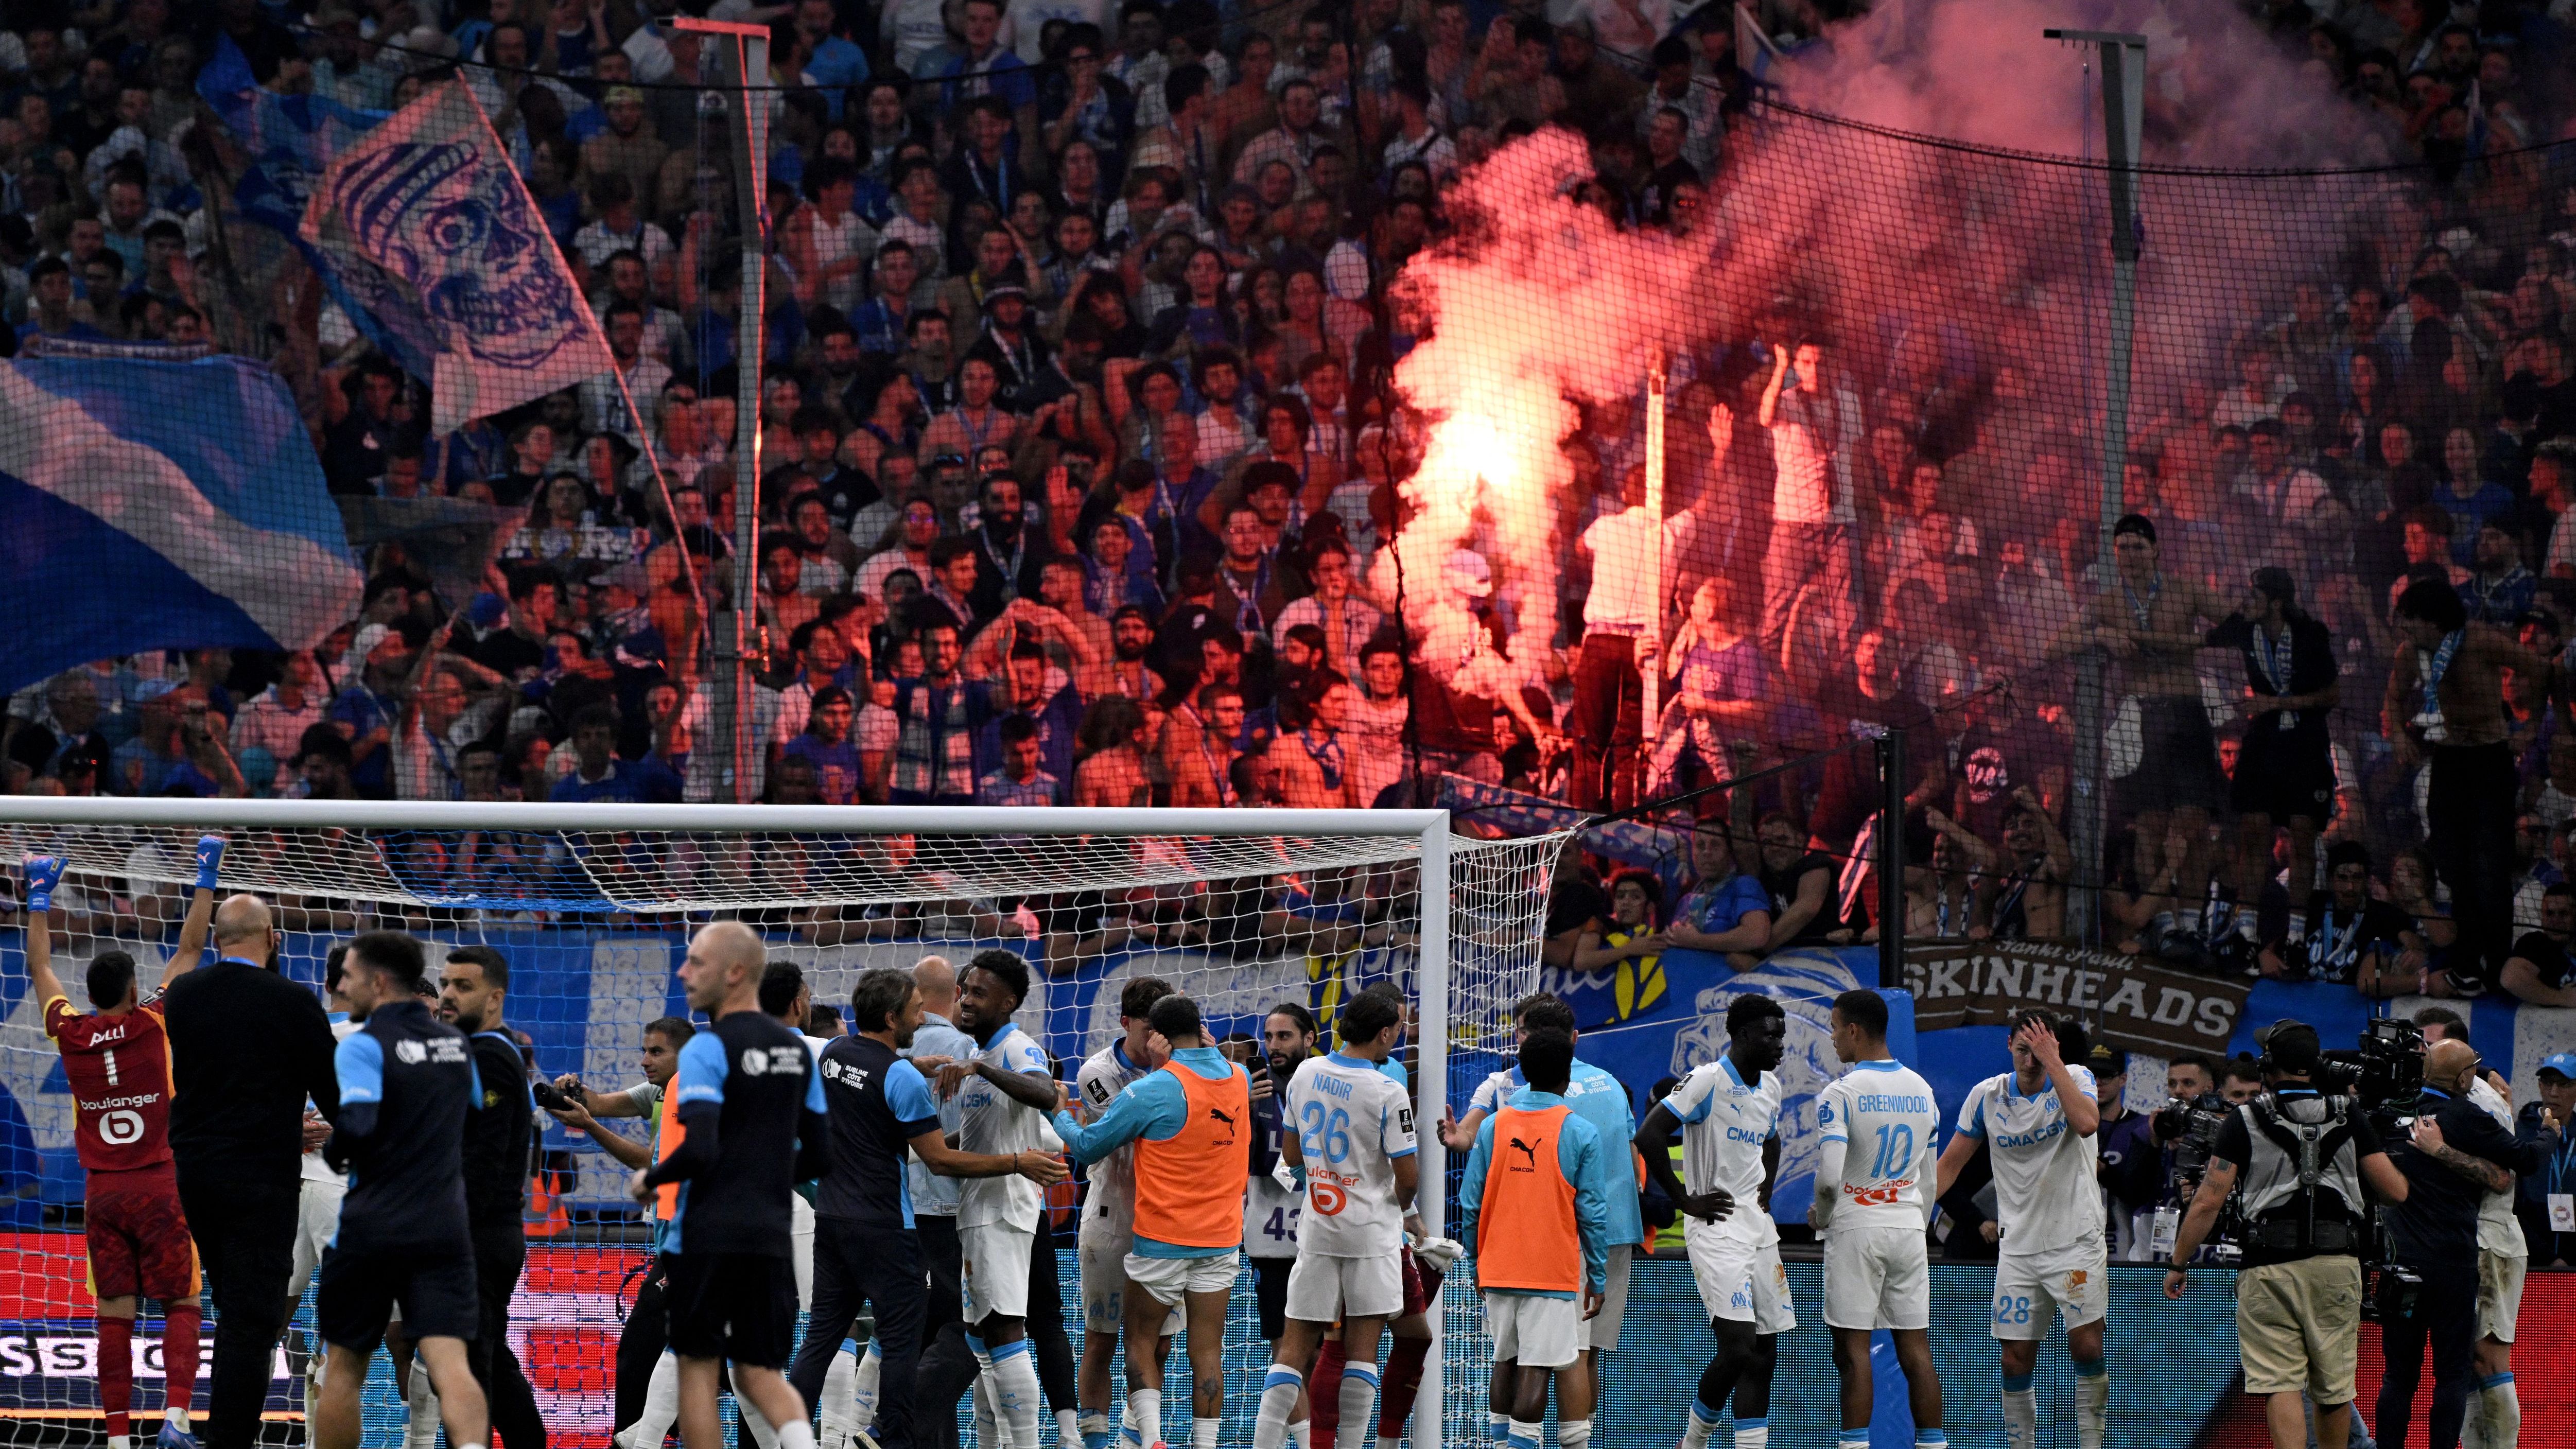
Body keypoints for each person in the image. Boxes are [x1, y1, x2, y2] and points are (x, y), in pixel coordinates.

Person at [790, 968, 1068, 1449]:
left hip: (832, 1218)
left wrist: (915, 1065)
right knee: (904, 1338)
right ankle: (893, 1436)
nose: (925, 1017)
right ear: (893, 1015)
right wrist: (1017, 1160)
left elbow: (873, 1079)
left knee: (822, 1339)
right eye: (918, 1009)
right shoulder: (904, 1077)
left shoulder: (836, 1054)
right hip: (886, 1225)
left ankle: (790, 1436)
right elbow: (939, 1159)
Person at [23, 842, 219, 1449]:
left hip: (102, 1194)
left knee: (114, 1314)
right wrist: (204, 874)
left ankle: (114, 1439)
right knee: (183, 1300)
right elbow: (189, 948)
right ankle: (177, 1419)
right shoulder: (152, 1021)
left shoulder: (70, 1031)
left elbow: (40, 969)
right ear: (135, 990)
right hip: (159, 1185)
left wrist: (37, 899)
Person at [2162, 1021, 2410, 1449]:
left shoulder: (2244, 1118)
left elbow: (2207, 1201)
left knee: (2280, 1382)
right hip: (2337, 1265)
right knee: (2333, 1385)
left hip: (2268, 1268)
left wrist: (2178, 1262)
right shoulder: (2347, 1113)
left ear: (2267, 1065)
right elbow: (2395, 1190)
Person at [628, 922, 829, 1449]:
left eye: (696, 961)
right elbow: (824, 1155)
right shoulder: (797, 1052)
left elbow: (699, 1148)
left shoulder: (704, 1050)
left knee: (697, 1370)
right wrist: (763, 1173)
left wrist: (651, 1177)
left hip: (708, 1234)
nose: (683, 970)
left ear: (736, 972)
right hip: (769, 1234)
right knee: (761, 1373)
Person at [163, 889, 341, 1449]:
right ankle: (229, 1442)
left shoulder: (184, 995)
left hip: (196, 1175)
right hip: (260, 1178)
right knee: (250, 1320)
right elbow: (334, 1095)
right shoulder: (291, 1000)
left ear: (219, 940)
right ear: (272, 937)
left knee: (234, 1308)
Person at [1048, 993, 1251, 1449]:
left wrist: (1055, 1110)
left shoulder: (1152, 1087)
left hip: (1159, 1236)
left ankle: (1150, 1439)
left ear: (1159, 1032)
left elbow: (1087, 1145)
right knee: (1192, 1350)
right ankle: (1196, 1442)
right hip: (1210, 1238)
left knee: (1143, 1343)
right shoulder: (1236, 1075)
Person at [311, 932, 489, 1449]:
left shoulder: (363, 1045)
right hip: (443, 1226)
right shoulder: (456, 1044)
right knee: (450, 1360)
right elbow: (475, 1118)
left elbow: (360, 1123)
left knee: (345, 1365)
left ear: (379, 981)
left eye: (350, 976)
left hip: (374, 1224)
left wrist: (335, 1150)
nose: (343, 986)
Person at [1436, 991, 1640, 1428]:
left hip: (1519, 1244)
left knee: (1509, 1356)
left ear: (1524, 1038)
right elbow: (1624, 1163)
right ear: (1575, 1038)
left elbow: (1471, 1188)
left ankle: (1507, 1438)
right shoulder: (1609, 1087)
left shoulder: (1506, 1094)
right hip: (1592, 1239)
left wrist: (1476, 1258)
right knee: (1578, 1355)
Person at [1252, 990, 1419, 1449]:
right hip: (1371, 1234)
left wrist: (1323, 1183)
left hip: (1319, 1228)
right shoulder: (1388, 1090)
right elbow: (1409, 1177)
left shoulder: (1306, 1072)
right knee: (1361, 1354)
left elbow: (1289, 1154)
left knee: (1292, 1349)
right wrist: (1394, 1206)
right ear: (1385, 1033)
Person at [1933, 1011, 2107, 1449]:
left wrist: (2055, 1062)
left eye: (2040, 1050)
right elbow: (1948, 1167)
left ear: (2054, 1049)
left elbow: (2087, 1124)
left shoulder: (2076, 1077)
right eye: (2023, 1049)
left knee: (2086, 1348)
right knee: (2014, 1360)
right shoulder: (1986, 1096)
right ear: (2009, 1045)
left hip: (2076, 1242)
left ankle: (2091, 1444)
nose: (2030, 1060)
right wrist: (1903, 1214)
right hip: (2019, 1249)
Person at [1633, 994, 1792, 1449]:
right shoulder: (1707, 1080)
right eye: (1771, 1034)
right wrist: (1684, 1199)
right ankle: (1694, 1441)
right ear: (1742, 1035)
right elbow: (1649, 1133)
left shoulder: (1772, 1088)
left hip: (1758, 1229)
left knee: (1765, 1352)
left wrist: (1765, 1192)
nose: (1780, 1043)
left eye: (1782, 1034)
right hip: (1716, 1228)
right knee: (1739, 1345)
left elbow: (1772, 1140)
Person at [2383, 578, 2554, 995]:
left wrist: (2530, 726)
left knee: (2489, 865)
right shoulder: (2412, 654)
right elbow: (2393, 698)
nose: (2405, 632)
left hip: (2490, 758)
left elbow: (2540, 669)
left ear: (2433, 621)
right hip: (2449, 759)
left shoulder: (2481, 642)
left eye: (2411, 623)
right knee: (2451, 862)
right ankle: (2467, 961)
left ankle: (2494, 962)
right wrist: (2400, 737)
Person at [929, 951, 1068, 1449]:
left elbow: (1044, 1090)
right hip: (978, 1212)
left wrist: (982, 1069)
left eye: (979, 993)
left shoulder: (1013, 1048)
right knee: (983, 1337)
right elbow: (971, 1139)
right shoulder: (981, 1056)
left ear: (1009, 1002)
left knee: (1005, 1330)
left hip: (1001, 1212)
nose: (966, 1000)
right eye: (964, 990)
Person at [2376, 1037, 2536, 1449]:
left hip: (2399, 1266)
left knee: (2398, 1376)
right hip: (2452, 1264)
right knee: (2451, 1374)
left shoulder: (2387, 1115)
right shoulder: (2465, 1115)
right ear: (2464, 1077)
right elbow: (2525, 1161)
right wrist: (2549, 1133)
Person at [1456, 1028, 1609, 1449]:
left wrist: (1475, 1263)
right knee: (1537, 1369)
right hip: (1551, 1273)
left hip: (1498, 1267)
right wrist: (1596, 1276)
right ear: (1567, 1076)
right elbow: (1593, 1215)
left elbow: (1470, 1204)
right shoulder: (1580, 1132)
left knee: (1504, 1362)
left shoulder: (1493, 1125)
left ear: (1522, 1071)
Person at [543, 1018, 693, 1443]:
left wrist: (589, 1124)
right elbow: (599, 1102)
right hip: (672, 1238)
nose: (645, 1060)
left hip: (692, 1242)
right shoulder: (659, 1092)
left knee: (641, 1355)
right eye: (644, 1050)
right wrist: (574, 1094)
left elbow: (651, 1161)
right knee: (702, 1362)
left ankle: (630, 1440)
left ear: (686, 1055)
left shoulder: (691, 1095)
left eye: (656, 1052)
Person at [1811, 989, 1944, 1449]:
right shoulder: (1923, 1090)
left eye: (1832, 1027)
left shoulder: (1840, 1093)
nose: (1831, 1037)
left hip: (1856, 1227)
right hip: (1909, 1227)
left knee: (1853, 1350)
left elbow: (1829, 1180)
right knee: (1916, 1349)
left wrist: (1822, 1217)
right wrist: (1912, 1221)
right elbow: (1928, 1183)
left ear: (1853, 1029)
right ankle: (1933, 1445)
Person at [437, 946, 546, 1449]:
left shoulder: (489, 1057)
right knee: (486, 1356)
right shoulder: (486, 1051)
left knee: (473, 1362)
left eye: (464, 986)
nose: (448, 996)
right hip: (483, 1231)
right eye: (446, 984)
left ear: (495, 997)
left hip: (481, 1234)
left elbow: (485, 1162)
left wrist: (452, 1233)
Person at [2204, 567, 2341, 944]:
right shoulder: (2244, 627)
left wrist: (2277, 702)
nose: (2248, 599)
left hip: (2305, 743)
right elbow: (2198, 640)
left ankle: (2296, 936)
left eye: (2255, 594)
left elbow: (2333, 696)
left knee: (2301, 836)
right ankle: (2246, 929)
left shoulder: (2311, 636)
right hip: (2263, 742)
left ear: (2277, 602)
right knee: (2253, 832)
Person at [1069, 976, 1178, 1449]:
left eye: (1166, 1029)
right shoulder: (1097, 1072)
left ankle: (1133, 1441)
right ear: (1125, 1022)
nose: (1158, 1040)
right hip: (1113, 1222)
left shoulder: (1180, 1065)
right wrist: (1164, 1071)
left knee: (1160, 1344)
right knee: (1101, 1340)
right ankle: (1093, 1443)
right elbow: (1137, 1140)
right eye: (1149, 1028)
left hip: (1168, 1225)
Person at [2412, 1007, 2527, 1447]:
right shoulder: (2449, 1095)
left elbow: (2504, 1174)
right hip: (2467, 1237)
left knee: (2488, 1360)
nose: (2424, 1052)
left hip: (2490, 1237)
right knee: (2466, 1363)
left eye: (2431, 1043)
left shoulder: (2478, 1098)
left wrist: (2440, 1153)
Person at [1246, 1003, 1316, 1447]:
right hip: (1271, 1243)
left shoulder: (1328, 1084)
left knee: (1325, 1356)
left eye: (1285, 1036)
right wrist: (1242, 1108)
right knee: (1285, 1353)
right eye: (1269, 1037)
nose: (1274, 1046)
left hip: (1323, 1242)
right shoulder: (1249, 1089)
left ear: (1309, 1038)